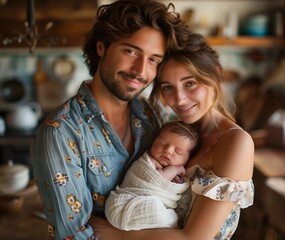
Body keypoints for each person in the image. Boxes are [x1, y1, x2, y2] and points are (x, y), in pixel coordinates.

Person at [31, 0, 190, 239]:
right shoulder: (60, 133)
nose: (140, 71)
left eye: (153, 60)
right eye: (132, 51)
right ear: (101, 47)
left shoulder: (151, 115)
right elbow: (74, 234)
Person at [90, 33, 255, 240]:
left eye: (190, 83)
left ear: (214, 75)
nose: (179, 99)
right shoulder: (170, 132)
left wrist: (116, 233)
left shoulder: (235, 142)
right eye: (168, 87)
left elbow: (194, 238)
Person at [105, 121, 199, 231]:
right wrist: (175, 169)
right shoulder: (147, 162)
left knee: (163, 213)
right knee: (162, 214)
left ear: (188, 158)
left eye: (178, 151)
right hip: (122, 205)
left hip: (138, 212)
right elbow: (157, 180)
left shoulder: (178, 176)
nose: (168, 151)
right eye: (163, 143)